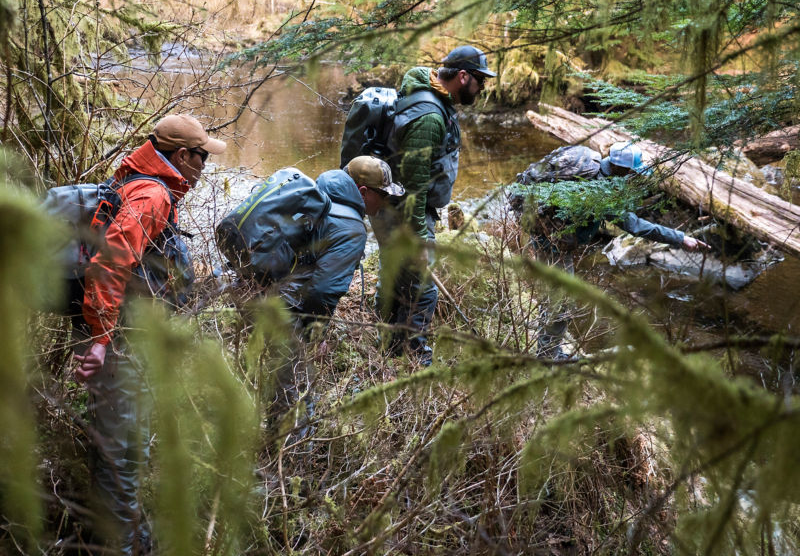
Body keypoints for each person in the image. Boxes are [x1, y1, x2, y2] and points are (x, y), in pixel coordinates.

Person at [71, 114, 226, 554]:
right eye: (201, 158)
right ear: (181, 156)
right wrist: (102, 340)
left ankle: (112, 535)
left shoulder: (137, 180)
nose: (204, 166)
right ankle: (121, 545)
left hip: (123, 339)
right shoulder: (152, 194)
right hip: (121, 345)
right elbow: (110, 262)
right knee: (123, 451)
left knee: (116, 445)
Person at [516, 141, 710, 360]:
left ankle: (547, 346)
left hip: (544, 232)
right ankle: (547, 356)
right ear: (620, 169)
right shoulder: (601, 190)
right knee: (561, 301)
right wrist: (681, 238)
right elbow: (634, 225)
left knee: (555, 295)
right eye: (632, 172)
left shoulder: (592, 161)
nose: (634, 177)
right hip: (551, 241)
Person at [370, 45, 496, 366]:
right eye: (480, 81)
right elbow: (414, 188)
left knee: (398, 282)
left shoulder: (436, 97)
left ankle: (389, 353)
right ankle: (415, 364)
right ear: (463, 76)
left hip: (396, 210)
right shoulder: (428, 116)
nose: (482, 88)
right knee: (423, 293)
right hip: (404, 214)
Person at [267, 156, 403, 426]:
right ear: (363, 192)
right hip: (286, 313)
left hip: (256, 294)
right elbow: (323, 292)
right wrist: (315, 334)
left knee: (276, 387)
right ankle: (291, 461)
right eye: (383, 194)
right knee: (296, 398)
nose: (386, 202)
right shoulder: (351, 227)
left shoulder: (313, 195)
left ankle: (273, 442)